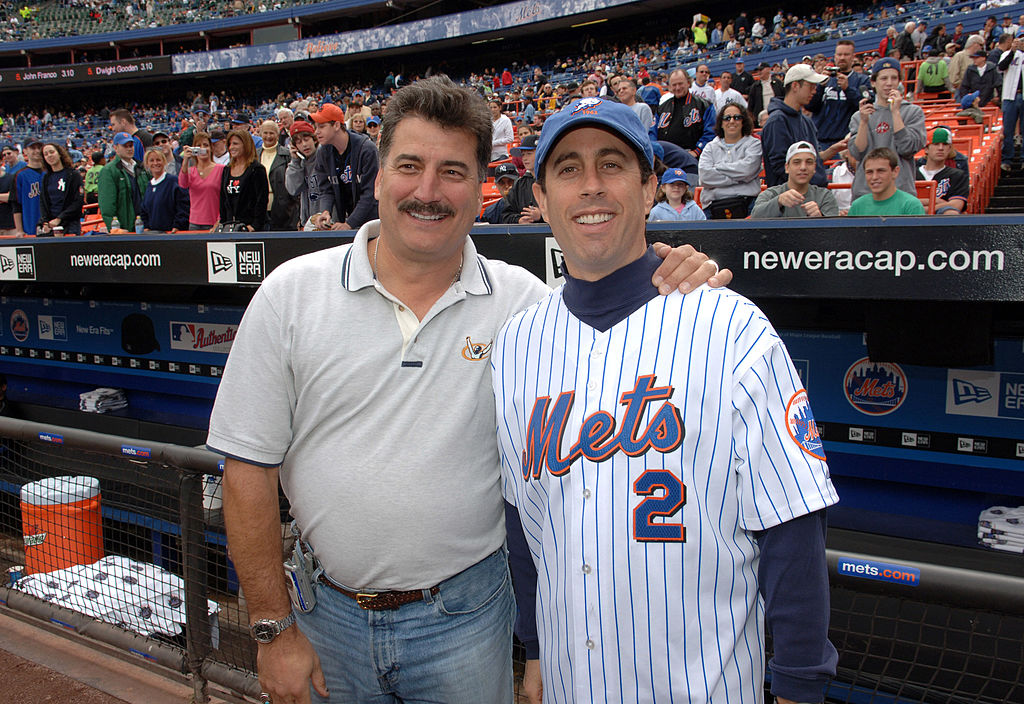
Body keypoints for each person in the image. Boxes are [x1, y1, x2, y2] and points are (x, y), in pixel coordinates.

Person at [206, 77, 728, 704]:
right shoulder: (291, 293)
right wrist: (271, 628)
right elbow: (246, 470)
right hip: (325, 618)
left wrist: (676, 272)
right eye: (410, 166)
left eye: (452, 171)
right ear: (378, 178)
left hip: (468, 622)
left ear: (481, 188)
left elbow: (614, 295)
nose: (428, 192)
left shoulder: (527, 305)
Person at [494, 95, 838, 704]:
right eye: (568, 169)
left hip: (704, 686)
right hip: (571, 682)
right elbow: (526, 524)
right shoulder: (518, 343)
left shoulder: (732, 327)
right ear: (540, 198)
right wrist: (536, 650)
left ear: (651, 185)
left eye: (613, 164)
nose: (592, 186)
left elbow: (793, 525)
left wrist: (800, 683)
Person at [847, 57, 927, 200]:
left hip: (901, 192)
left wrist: (895, 112)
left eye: (894, 78)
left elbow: (907, 148)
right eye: (883, 78)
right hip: (865, 193)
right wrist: (864, 123)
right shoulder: (859, 116)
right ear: (873, 82)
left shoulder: (913, 112)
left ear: (899, 81)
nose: (889, 83)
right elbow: (857, 152)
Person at [762, 64, 844, 187]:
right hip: (793, 199)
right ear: (795, 86)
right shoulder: (777, 121)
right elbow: (781, 167)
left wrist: (835, 148)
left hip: (811, 194)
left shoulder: (806, 121)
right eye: (811, 86)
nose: (814, 90)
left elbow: (815, 157)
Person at [308, 103, 379, 231]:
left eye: (322, 126)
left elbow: (371, 193)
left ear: (336, 125)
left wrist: (350, 223)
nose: (316, 131)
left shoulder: (367, 149)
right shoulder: (323, 152)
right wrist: (325, 211)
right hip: (345, 218)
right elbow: (326, 189)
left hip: (373, 222)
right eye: (316, 127)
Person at [697, 102, 762, 218]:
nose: (732, 121)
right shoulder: (710, 147)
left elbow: (748, 170)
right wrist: (741, 178)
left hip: (748, 204)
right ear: (721, 123)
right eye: (727, 118)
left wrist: (718, 167)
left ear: (743, 121)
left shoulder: (754, 144)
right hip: (713, 206)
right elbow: (704, 177)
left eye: (737, 117)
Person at [751, 141, 839, 218]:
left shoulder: (825, 196)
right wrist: (778, 201)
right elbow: (755, 217)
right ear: (787, 167)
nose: (803, 167)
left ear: (814, 168)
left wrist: (820, 217)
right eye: (796, 162)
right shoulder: (771, 194)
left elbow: (833, 231)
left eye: (809, 162)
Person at [808, 40, 867, 150]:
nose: (842, 58)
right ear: (834, 56)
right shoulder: (824, 79)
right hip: (821, 140)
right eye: (839, 54)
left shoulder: (862, 80)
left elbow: (865, 106)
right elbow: (810, 106)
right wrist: (820, 85)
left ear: (853, 57)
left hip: (847, 142)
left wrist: (847, 89)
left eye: (846, 54)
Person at [848, 147, 926, 216]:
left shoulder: (911, 205)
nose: (874, 177)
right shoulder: (857, 206)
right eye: (869, 172)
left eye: (881, 171)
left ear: (895, 172)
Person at [657, 69, 716, 157]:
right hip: (667, 157)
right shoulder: (662, 108)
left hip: (693, 156)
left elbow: (711, 132)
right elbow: (653, 133)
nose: (677, 88)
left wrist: (697, 151)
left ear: (688, 83)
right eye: (674, 85)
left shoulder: (704, 105)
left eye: (680, 84)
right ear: (669, 87)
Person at [97, 132, 149, 231]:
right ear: (116, 148)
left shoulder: (141, 167)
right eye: (125, 146)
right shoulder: (109, 171)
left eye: (131, 145)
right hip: (125, 228)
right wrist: (115, 228)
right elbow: (107, 205)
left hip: (144, 225)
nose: (129, 148)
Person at [219, 128, 268, 232]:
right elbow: (223, 199)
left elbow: (262, 200)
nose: (231, 147)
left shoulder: (256, 169)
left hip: (251, 228)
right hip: (230, 228)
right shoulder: (227, 169)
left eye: (235, 144)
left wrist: (255, 225)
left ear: (246, 145)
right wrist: (223, 223)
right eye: (230, 144)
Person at [916, 128, 969, 214]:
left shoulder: (957, 175)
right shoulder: (911, 174)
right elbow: (903, 203)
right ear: (926, 149)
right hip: (911, 217)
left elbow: (956, 205)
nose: (941, 148)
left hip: (940, 217)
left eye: (945, 144)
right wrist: (937, 201)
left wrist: (924, 209)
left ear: (949, 149)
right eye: (936, 144)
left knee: (951, 213)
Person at [178, 132, 225, 231]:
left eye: (206, 145)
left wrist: (219, 220)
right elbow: (183, 184)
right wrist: (185, 160)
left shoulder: (221, 169)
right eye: (198, 146)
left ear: (211, 148)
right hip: (194, 223)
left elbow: (225, 198)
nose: (202, 148)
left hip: (214, 222)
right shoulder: (190, 171)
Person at [138, 148, 190, 232]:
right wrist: (146, 227)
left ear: (164, 161)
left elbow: (183, 206)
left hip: (171, 234)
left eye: (158, 160)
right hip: (153, 235)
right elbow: (144, 210)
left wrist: (178, 226)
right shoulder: (149, 185)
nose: (155, 163)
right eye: (151, 160)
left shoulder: (174, 181)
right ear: (147, 164)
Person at [259, 120, 298, 231]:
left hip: (283, 212)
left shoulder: (287, 155)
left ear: (277, 135)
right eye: (265, 133)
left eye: (272, 133)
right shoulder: (254, 155)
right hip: (260, 212)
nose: (268, 136)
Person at [38, 142, 84, 235]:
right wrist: (45, 222)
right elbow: (43, 201)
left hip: (70, 224)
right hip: (51, 225)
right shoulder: (46, 178)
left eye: (52, 152)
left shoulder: (73, 175)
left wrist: (60, 218)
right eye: (46, 154)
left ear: (59, 153)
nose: (49, 156)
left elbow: (78, 202)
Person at [499, 134, 543, 224]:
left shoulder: (553, 181)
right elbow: (506, 215)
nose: (525, 158)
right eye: (523, 155)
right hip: (524, 236)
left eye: (529, 154)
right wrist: (519, 220)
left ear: (540, 153)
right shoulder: (519, 184)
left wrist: (541, 215)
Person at [284, 120, 320, 229]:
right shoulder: (299, 164)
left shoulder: (324, 157)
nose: (304, 145)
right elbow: (293, 189)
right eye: (299, 142)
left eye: (306, 139)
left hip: (327, 219)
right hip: (308, 221)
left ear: (314, 139)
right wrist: (295, 161)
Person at [997, 32, 1024, 171]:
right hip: (1009, 96)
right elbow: (1001, 67)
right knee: (1008, 130)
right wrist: (1013, 51)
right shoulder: (1007, 54)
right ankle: (1007, 159)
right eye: (1019, 39)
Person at [489, 98, 514, 165]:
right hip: (489, 156)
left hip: (501, 155)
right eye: (491, 107)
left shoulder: (506, 120)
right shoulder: (488, 120)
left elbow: (510, 139)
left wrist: (493, 143)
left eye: (495, 107)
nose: (492, 110)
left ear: (500, 108)